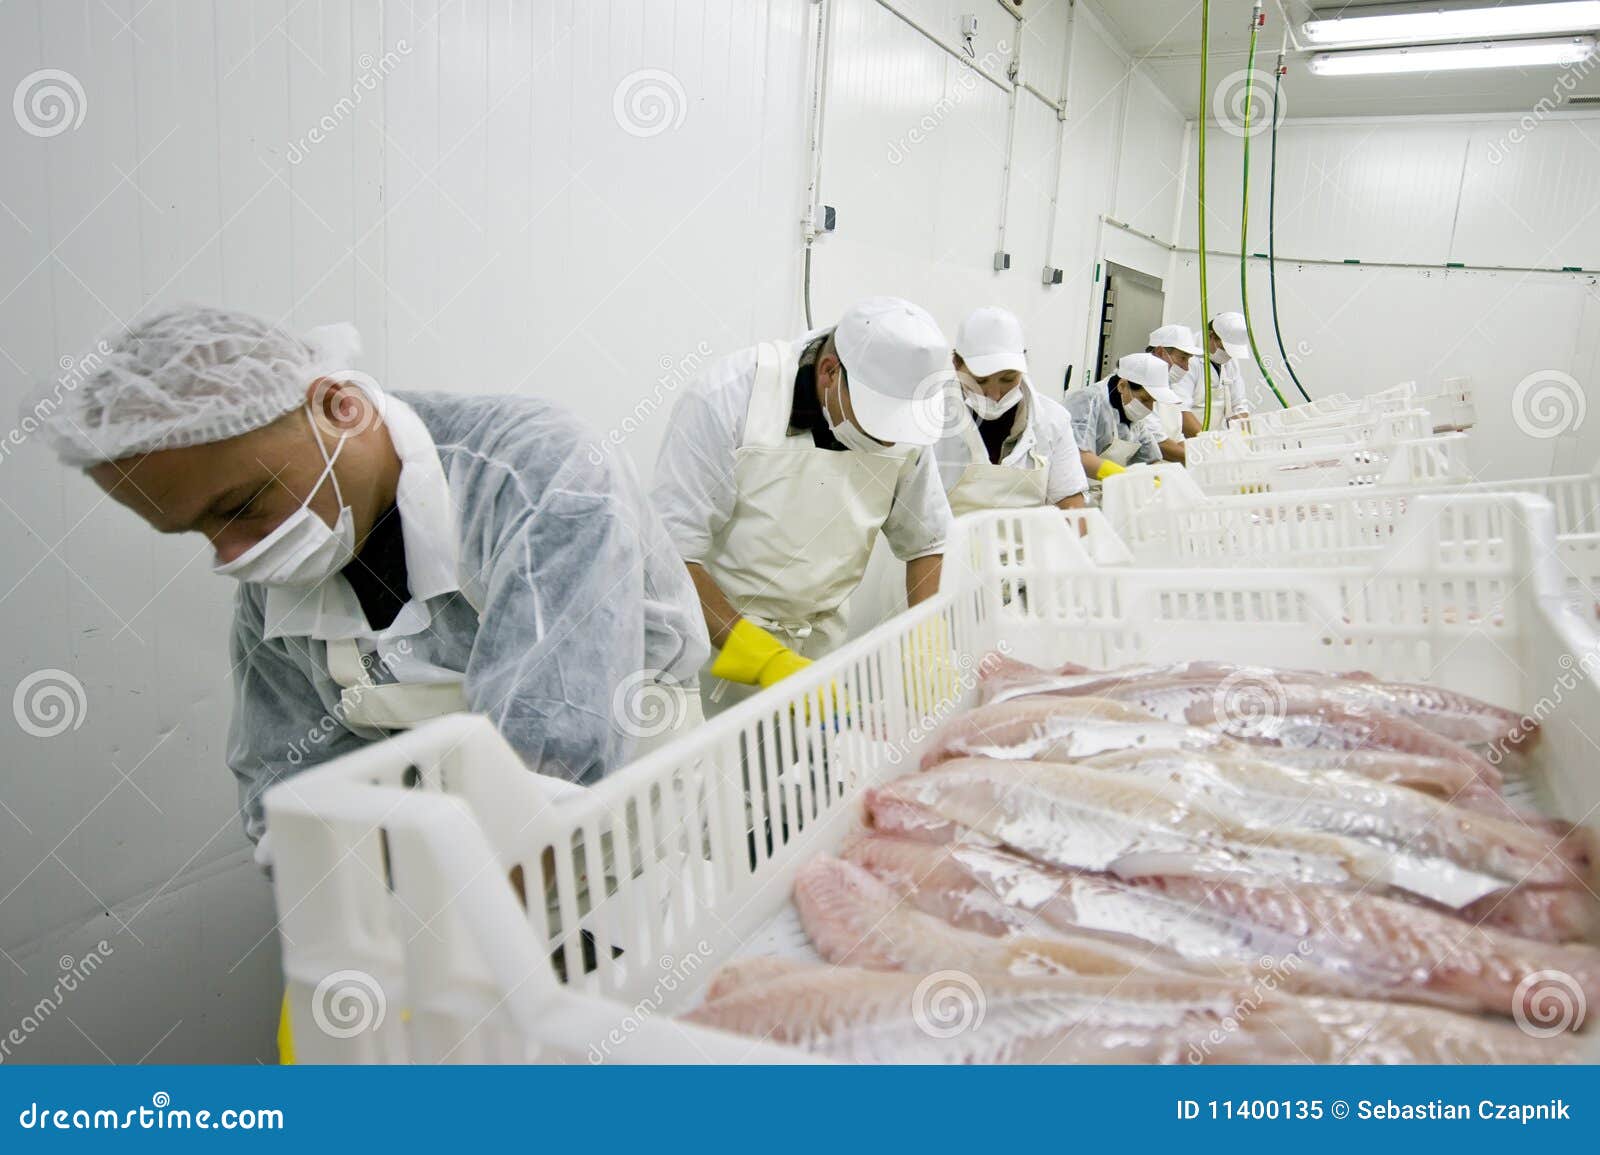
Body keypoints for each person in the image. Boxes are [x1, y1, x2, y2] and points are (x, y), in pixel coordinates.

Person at [34, 306, 709, 855]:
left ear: (339, 407)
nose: (236, 555)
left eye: (240, 506)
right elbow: (290, 788)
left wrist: (438, 962)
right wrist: (343, 934)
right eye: (198, 532)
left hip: (632, 846)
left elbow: (544, 770)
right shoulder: (276, 574)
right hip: (448, 881)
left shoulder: (537, 473)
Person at [653, 296, 952, 714]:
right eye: (877, 420)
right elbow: (672, 557)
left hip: (819, 652)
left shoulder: (906, 427)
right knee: (722, 775)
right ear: (830, 372)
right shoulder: (731, 396)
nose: (887, 442)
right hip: (719, 654)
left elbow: (926, 541)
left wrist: (926, 640)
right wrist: (766, 660)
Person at [933, 306, 1087, 516]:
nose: (995, 394)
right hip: (948, 545)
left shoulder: (1053, 420)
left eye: (1008, 379)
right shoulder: (931, 415)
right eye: (980, 380)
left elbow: (1069, 502)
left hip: (1028, 545)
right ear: (956, 364)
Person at [1065, 352, 1183, 482]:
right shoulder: (1087, 401)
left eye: (1153, 401)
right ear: (1122, 386)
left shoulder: (1132, 415)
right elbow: (1080, 457)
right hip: (1074, 488)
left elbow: (1150, 459)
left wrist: (1164, 480)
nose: (1149, 408)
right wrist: (1126, 477)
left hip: (1106, 489)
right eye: (1145, 399)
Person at [1143, 323, 1202, 459]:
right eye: (1183, 358)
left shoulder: (1169, 386)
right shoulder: (1138, 385)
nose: (1186, 368)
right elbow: (1155, 441)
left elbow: (1177, 437)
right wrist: (1195, 460)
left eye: (1188, 360)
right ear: (1159, 352)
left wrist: (1206, 455)